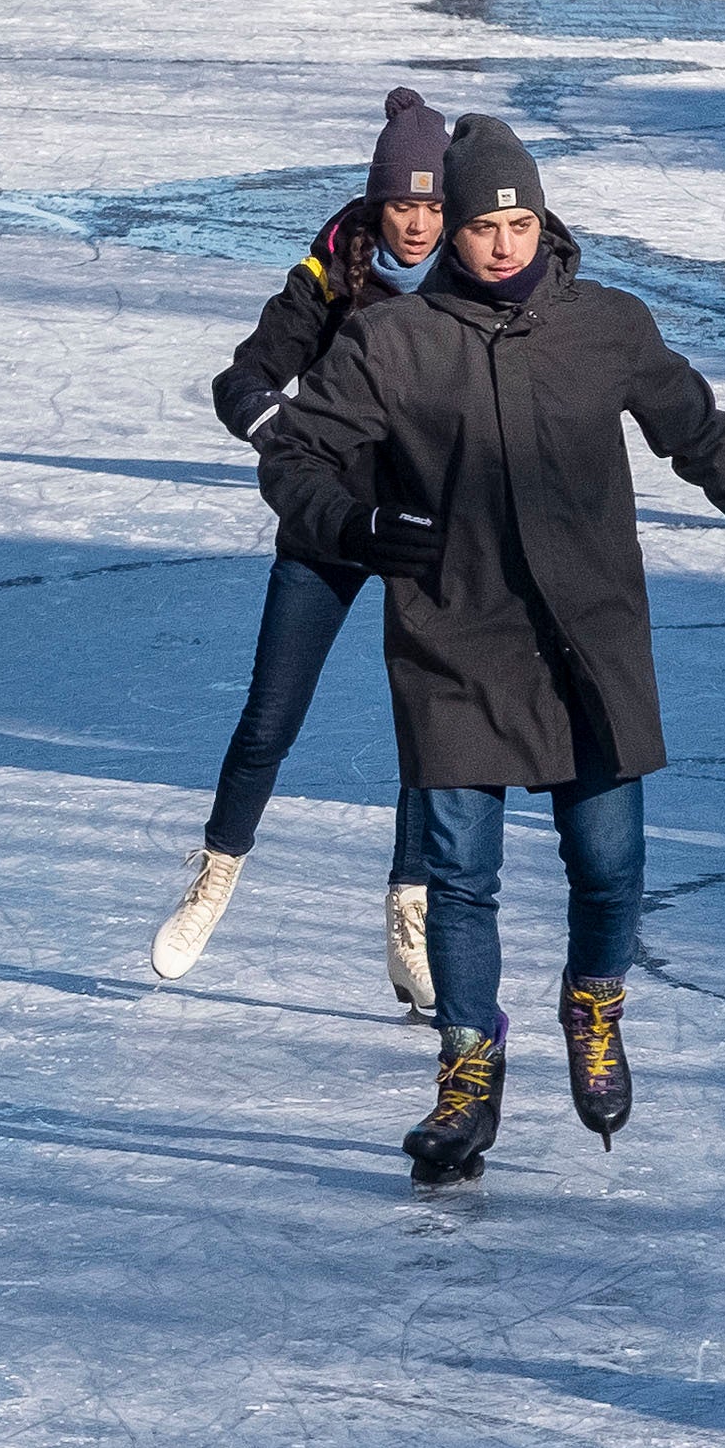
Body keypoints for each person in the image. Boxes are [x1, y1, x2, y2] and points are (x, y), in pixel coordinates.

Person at [261, 116, 725, 1184]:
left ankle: (592, 1005)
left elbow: (697, 435)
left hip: (587, 639)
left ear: (541, 219)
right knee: (457, 875)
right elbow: (292, 456)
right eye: (481, 225)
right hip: (453, 636)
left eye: (517, 220)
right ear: (451, 233)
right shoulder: (393, 342)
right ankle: (466, 1069)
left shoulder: (604, 325)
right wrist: (354, 527)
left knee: (607, 864)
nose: (501, 243)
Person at [165, 87, 455, 998]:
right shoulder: (335, 267)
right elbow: (245, 374)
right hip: (332, 518)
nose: (416, 224)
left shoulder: (479, 275)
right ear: (376, 204)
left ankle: (409, 916)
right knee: (270, 716)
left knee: (434, 734)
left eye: (432, 205)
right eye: (401, 204)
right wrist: (273, 429)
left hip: (428, 532)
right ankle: (215, 874)